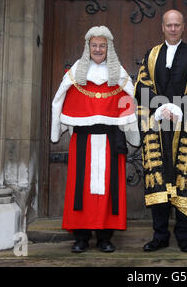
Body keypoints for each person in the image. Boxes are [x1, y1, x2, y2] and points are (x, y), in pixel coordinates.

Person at [134, 9, 187, 253]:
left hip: (185, 126)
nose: (173, 29)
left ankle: (184, 236)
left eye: (177, 25)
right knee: (158, 180)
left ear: (183, 27)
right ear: (162, 27)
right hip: (157, 126)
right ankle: (159, 235)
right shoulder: (151, 55)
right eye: (169, 25)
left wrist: (179, 107)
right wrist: (162, 106)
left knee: (185, 180)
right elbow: (141, 85)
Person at [50, 26, 139, 253]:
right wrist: (56, 129)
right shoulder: (75, 72)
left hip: (111, 140)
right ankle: (80, 238)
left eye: (102, 45)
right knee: (80, 190)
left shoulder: (118, 72)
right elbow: (59, 99)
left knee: (109, 189)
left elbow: (130, 101)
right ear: (87, 47)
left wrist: (132, 133)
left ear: (108, 48)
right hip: (82, 141)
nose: (98, 49)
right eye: (94, 45)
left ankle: (104, 238)